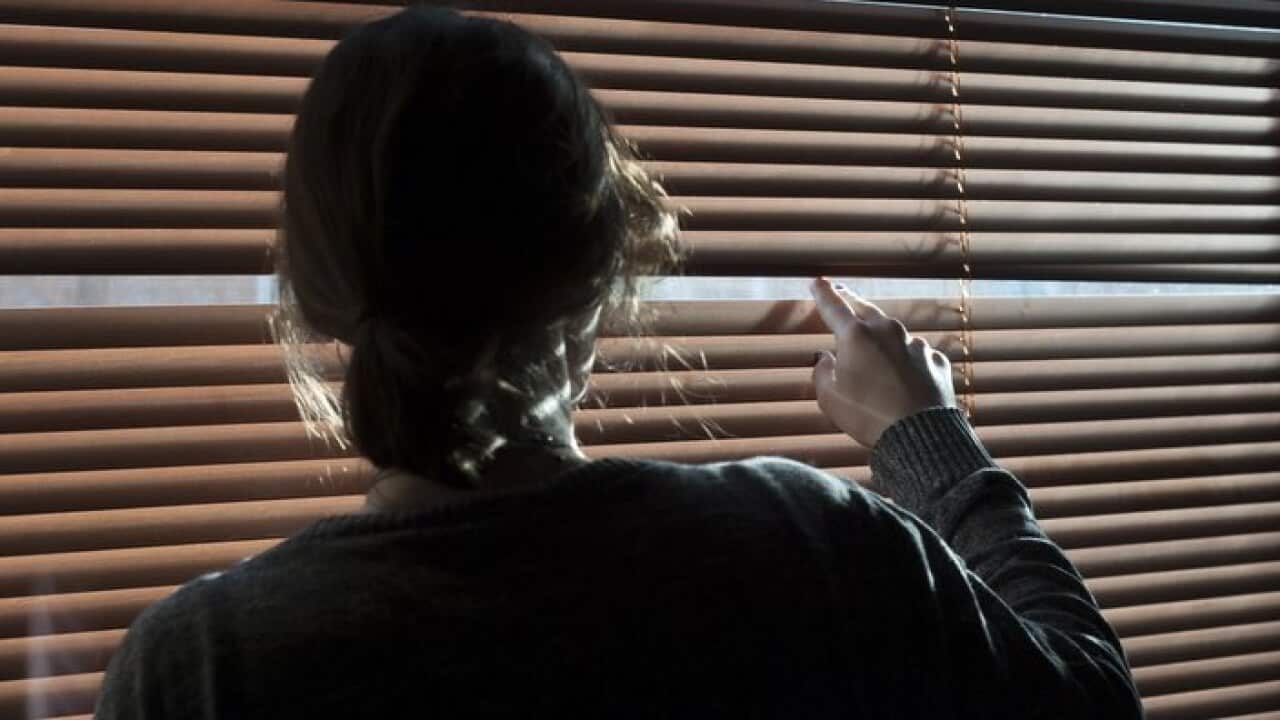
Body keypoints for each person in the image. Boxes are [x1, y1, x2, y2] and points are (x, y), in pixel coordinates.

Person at [96, 6, 1142, 719]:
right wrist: (928, 440)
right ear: (602, 274)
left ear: (316, 293)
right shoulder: (801, 550)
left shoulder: (200, 667)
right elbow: (1089, 700)